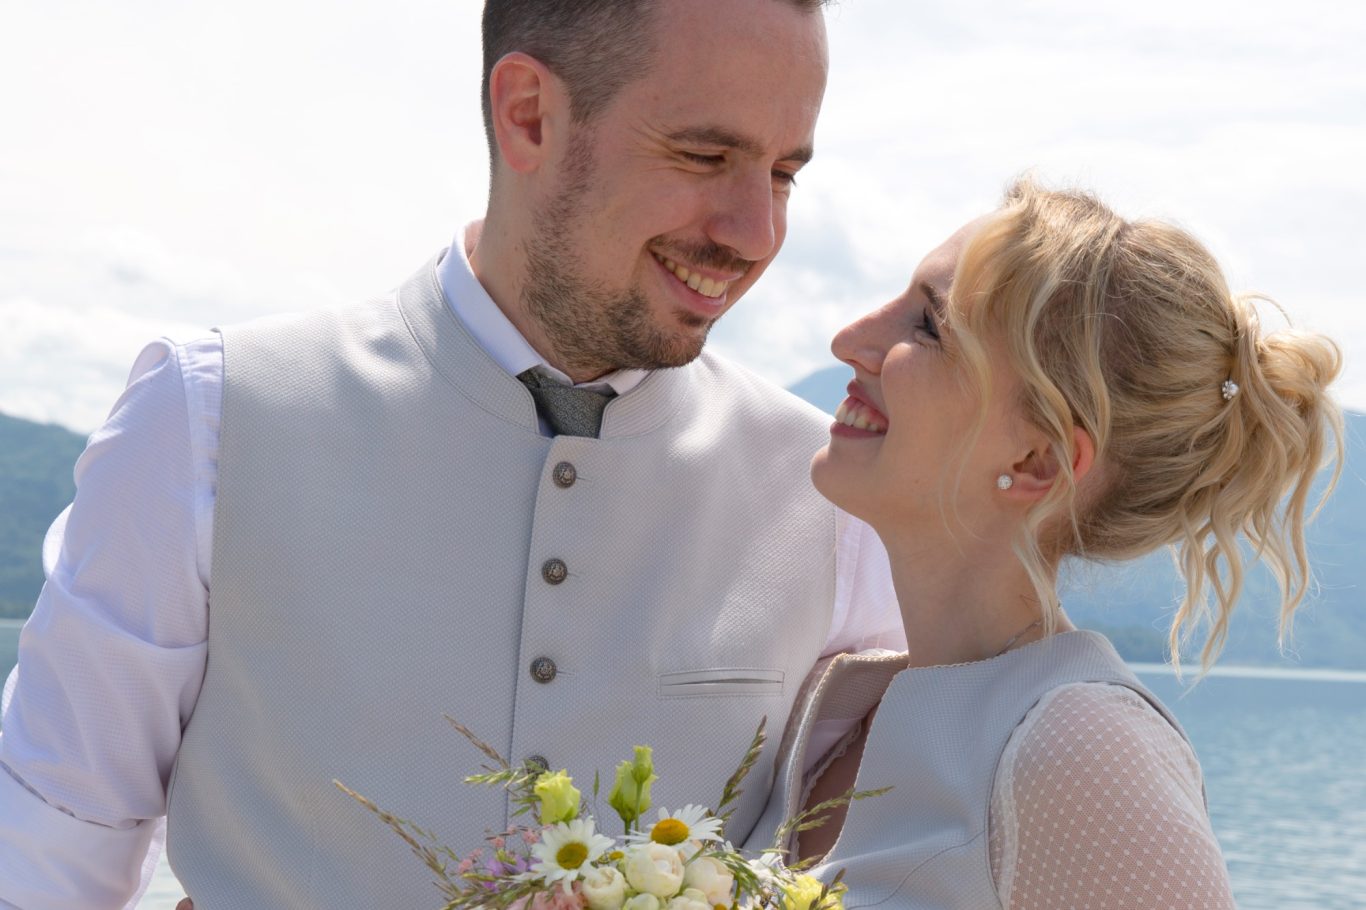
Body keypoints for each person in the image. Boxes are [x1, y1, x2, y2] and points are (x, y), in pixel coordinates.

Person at [0, 1, 903, 907]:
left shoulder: (838, 498)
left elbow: (872, 852)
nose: (757, 233)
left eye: (784, 174)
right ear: (528, 116)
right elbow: (50, 842)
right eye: (706, 156)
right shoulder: (208, 421)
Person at [749, 179, 1342, 908]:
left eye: (930, 327)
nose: (852, 340)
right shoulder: (846, 702)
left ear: (1041, 463)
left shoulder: (1083, 749)